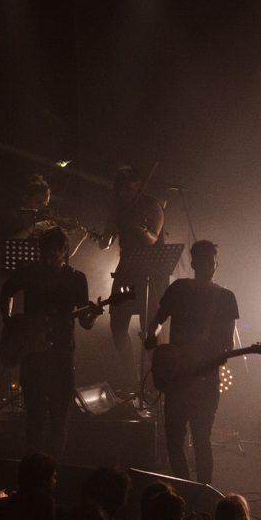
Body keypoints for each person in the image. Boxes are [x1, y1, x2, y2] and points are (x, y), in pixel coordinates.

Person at [145, 240, 239, 485]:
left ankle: (201, 492)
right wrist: (151, 338)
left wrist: (219, 353)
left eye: (212, 261)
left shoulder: (226, 297)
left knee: (200, 438)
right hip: (178, 377)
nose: (209, 265)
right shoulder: (178, 289)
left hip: (204, 378)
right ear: (194, 263)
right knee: (176, 440)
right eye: (204, 260)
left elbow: (227, 342)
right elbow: (156, 321)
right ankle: (188, 490)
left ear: (216, 264)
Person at [0, 227, 101, 454]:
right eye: (43, 252)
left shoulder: (76, 279)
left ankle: (54, 471)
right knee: (34, 417)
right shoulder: (30, 272)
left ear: (64, 251)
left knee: (59, 420)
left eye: (51, 252)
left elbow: (85, 322)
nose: (46, 257)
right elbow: (6, 291)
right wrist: (10, 324)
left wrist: (92, 314)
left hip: (61, 355)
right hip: (32, 354)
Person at [98, 165, 167, 401]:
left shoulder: (152, 205)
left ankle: (154, 381)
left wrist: (142, 229)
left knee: (150, 329)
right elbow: (104, 243)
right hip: (126, 271)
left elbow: (153, 239)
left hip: (149, 272)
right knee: (117, 326)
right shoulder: (118, 208)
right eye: (122, 189)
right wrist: (107, 232)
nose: (125, 192)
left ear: (138, 185)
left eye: (130, 188)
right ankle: (131, 376)